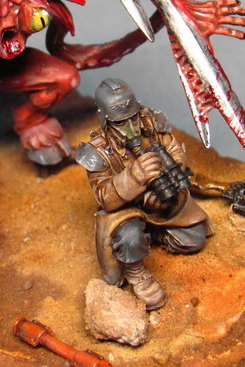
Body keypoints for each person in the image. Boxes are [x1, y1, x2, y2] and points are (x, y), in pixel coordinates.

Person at [75, 79, 212, 310]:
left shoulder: (151, 122)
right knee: (129, 236)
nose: (131, 126)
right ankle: (136, 272)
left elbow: (175, 150)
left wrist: (172, 168)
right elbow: (104, 197)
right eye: (121, 122)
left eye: (133, 117)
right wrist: (134, 176)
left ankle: (153, 235)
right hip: (126, 209)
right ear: (106, 120)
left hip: (162, 200)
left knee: (194, 238)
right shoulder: (96, 151)